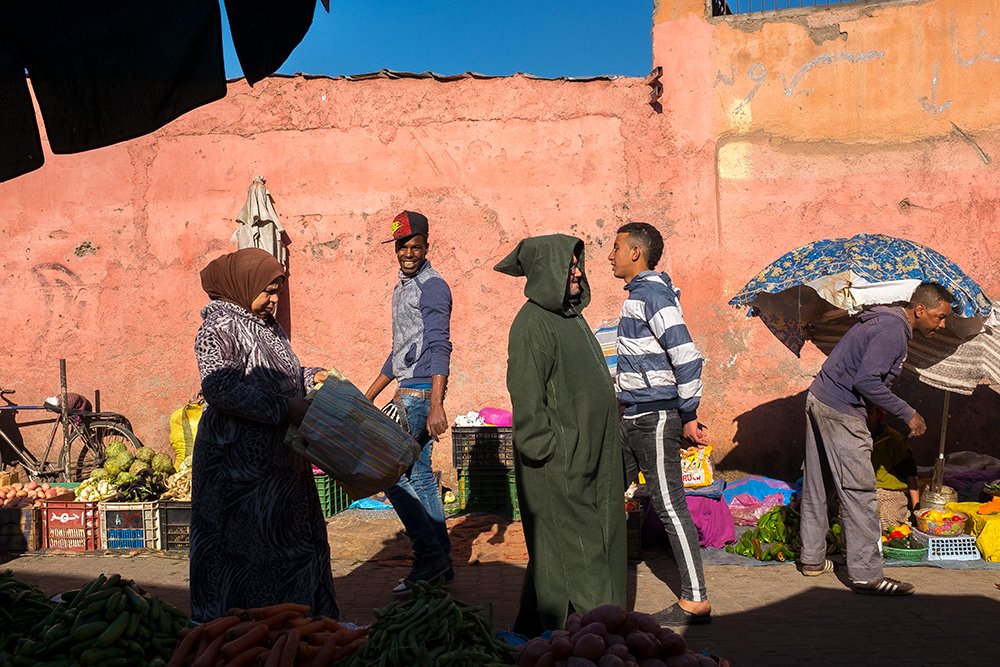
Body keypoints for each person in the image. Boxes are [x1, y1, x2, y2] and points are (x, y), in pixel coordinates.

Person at [190, 247, 337, 621]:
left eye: (278, 292)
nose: (274, 300)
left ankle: (295, 627)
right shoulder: (217, 327)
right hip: (238, 472)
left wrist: (312, 375)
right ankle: (243, 635)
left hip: (279, 465)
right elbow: (220, 388)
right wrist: (285, 407)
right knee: (245, 556)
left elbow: (279, 375)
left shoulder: (267, 326)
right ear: (245, 285)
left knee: (287, 545)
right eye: (268, 291)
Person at [495, 234, 626, 637]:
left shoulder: (570, 318)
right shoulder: (532, 324)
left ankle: (536, 630)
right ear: (543, 271)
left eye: (577, 264)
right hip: (559, 463)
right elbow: (528, 398)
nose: (576, 271)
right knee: (583, 552)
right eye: (567, 265)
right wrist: (548, 452)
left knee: (569, 546)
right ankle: (602, 636)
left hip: (590, 457)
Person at [798, 281, 952, 596]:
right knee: (859, 491)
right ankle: (867, 575)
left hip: (820, 399)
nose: (943, 323)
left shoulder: (885, 322)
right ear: (919, 309)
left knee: (819, 483)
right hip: (840, 409)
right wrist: (907, 412)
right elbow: (867, 380)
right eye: (939, 316)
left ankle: (812, 560)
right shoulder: (892, 332)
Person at [608, 222, 713, 626]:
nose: (610, 256)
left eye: (616, 248)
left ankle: (695, 601)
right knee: (605, 488)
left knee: (670, 506)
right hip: (631, 415)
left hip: (654, 417)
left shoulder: (653, 295)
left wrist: (688, 413)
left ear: (636, 252)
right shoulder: (639, 297)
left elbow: (686, 356)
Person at [365, 210, 453, 594]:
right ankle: (441, 562)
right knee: (418, 474)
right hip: (406, 389)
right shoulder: (402, 288)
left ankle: (429, 555)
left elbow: (439, 346)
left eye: (416, 246)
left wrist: (437, 404)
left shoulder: (433, 287)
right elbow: (399, 351)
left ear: (426, 247)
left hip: (418, 396)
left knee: (386, 470)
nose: (409, 253)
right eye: (403, 247)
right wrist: (368, 396)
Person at [867, 404, 920, 530]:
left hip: (888, 494)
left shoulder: (893, 439)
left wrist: (916, 509)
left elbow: (910, 474)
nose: (865, 417)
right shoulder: (852, 436)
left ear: (878, 414)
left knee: (889, 520)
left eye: (869, 412)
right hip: (860, 491)